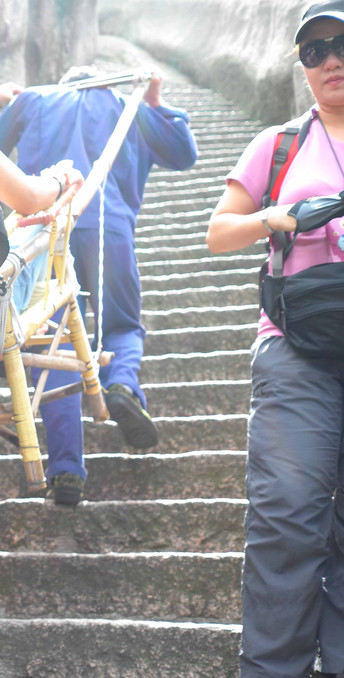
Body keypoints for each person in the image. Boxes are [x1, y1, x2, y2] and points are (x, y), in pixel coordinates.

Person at [0, 67, 198, 505]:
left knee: (51, 343)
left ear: (62, 83)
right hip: (109, 228)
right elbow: (184, 152)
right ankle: (121, 385)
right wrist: (154, 101)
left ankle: (65, 470)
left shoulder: (35, 99)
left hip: (43, 233)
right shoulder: (124, 105)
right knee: (122, 325)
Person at [207, 2, 344, 675]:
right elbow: (217, 232)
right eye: (314, 51)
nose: (330, 60)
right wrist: (274, 215)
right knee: (288, 516)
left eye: (340, 44)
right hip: (295, 349)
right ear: (302, 66)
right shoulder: (280, 143)